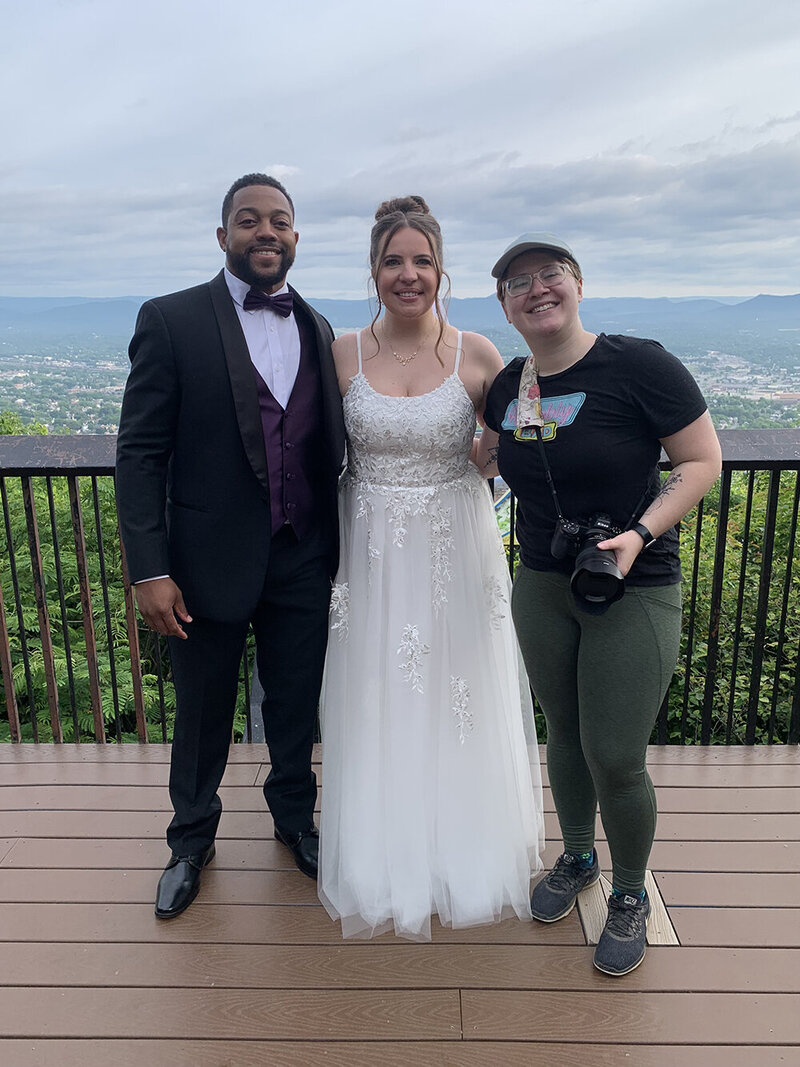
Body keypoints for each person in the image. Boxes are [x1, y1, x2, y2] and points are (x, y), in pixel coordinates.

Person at [484, 232, 722, 974]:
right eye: (518, 282)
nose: (536, 288)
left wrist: (638, 532)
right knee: (565, 731)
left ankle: (628, 892)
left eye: (550, 273)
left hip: (634, 581)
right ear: (505, 305)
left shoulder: (638, 365)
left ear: (578, 284)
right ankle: (578, 854)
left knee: (616, 752)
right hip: (544, 583)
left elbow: (701, 459)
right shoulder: (507, 387)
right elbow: (484, 455)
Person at [116, 173, 345, 918]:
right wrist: (150, 567)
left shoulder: (315, 326)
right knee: (203, 710)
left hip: (302, 553)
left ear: (296, 237)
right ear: (224, 236)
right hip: (203, 562)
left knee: (294, 705)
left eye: (279, 220)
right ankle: (190, 842)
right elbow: (141, 453)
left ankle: (293, 823)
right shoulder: (171, 319)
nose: (266, 232)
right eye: (249, 220)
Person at [317, 197, 545, 941]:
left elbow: (512, 446)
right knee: (378, 690)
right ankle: (384, 848)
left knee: (460, 692)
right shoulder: (343, 353)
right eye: (392, 260)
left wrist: (494, 456)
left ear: (441, 271)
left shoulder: (476, 353)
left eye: (421, 261)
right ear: (374, 271)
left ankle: (466, 846)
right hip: (373, 551)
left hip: (455, 542)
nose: (407, 274)